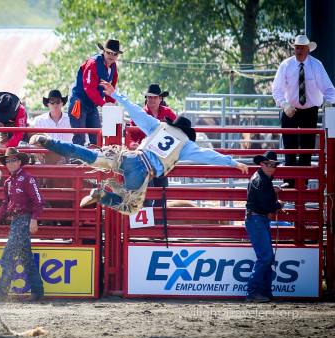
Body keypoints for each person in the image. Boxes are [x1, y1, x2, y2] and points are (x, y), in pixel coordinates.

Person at [30, 80, 249, 215]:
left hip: (130, 157)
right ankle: (102, 196)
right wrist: (233, 162)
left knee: (87, 155)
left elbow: (135, 110)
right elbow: (207, 155)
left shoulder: (159, 126)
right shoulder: (186, 145)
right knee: (130, 207)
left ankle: (47, 141)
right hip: (144, 172)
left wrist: (116, 94)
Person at [271, 34, 335, 188]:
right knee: (289, 148)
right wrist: (284, 105)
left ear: (308, 49)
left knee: (307, 149)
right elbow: (276, 89)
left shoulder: (316, 65)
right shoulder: (286, 65)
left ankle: (302, 184)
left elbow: (329, 89)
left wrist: (328, 102)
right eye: (296, 48)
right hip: (289, 110)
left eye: (301, 48)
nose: (299, 51)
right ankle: (289, 183)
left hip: (309, 111)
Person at [0, 147, 45, 302]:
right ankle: (38, 290)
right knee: (26, 259)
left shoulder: (27, 178)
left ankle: (1, 292)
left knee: (7, 257)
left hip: (23, 221)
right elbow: (6, 204)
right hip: (17, 221)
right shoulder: (8, 182)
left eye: (13, 160)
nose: (10, 163)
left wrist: (34, 219)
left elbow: (38, 200)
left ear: (19, 162)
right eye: (8, 160)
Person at [245, 151, 284, 303]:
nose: (271, 167)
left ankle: (264, 292)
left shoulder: (262, 179)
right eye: (268, 164)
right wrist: (278, 204)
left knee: (267, 257)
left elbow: (262, 196)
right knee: (266, 257)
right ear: (262, 164)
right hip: (257, 220)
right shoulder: (262, 181)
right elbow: (267, 205)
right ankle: (253, 292)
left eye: (273, 165)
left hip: (257, 220)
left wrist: (271, 190)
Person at [68, 39, 122, 146]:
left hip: (93, 104)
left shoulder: (113, 66)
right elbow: (89, 88)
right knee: (79, 136)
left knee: (97, 138)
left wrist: (110, 102)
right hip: (79, 102)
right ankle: (76, 162)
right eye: (109, 52)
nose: (111, 56)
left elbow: (111, 86)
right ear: (103, 52)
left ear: (117, 55)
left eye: (114, 54)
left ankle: (96, 162)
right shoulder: (92, 63)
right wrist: (104, 104)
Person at [131, 83, 177, 208]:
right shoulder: (140, 114)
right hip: (144, 159)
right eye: (149, 97)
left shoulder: (168, 113)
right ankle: (149, 222)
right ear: (146, 98)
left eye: (155, 97)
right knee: (146, 193)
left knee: (162, 192)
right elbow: (132, 136)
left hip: (161, 158)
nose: (152, 100)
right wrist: (133, 144)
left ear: (160, 98)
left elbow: (178, 131)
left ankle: (159, 222)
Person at [30, 89, 72, 164]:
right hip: (46, 157)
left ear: (62, 103)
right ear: (48, 104)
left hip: (66, 157)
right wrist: (36, 150)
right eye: (52, 102)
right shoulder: (39, 120)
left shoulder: (71, 120)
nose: (55, 104)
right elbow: (30, 138)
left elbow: (80, 137)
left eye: (58, 101)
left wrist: (73, 151)